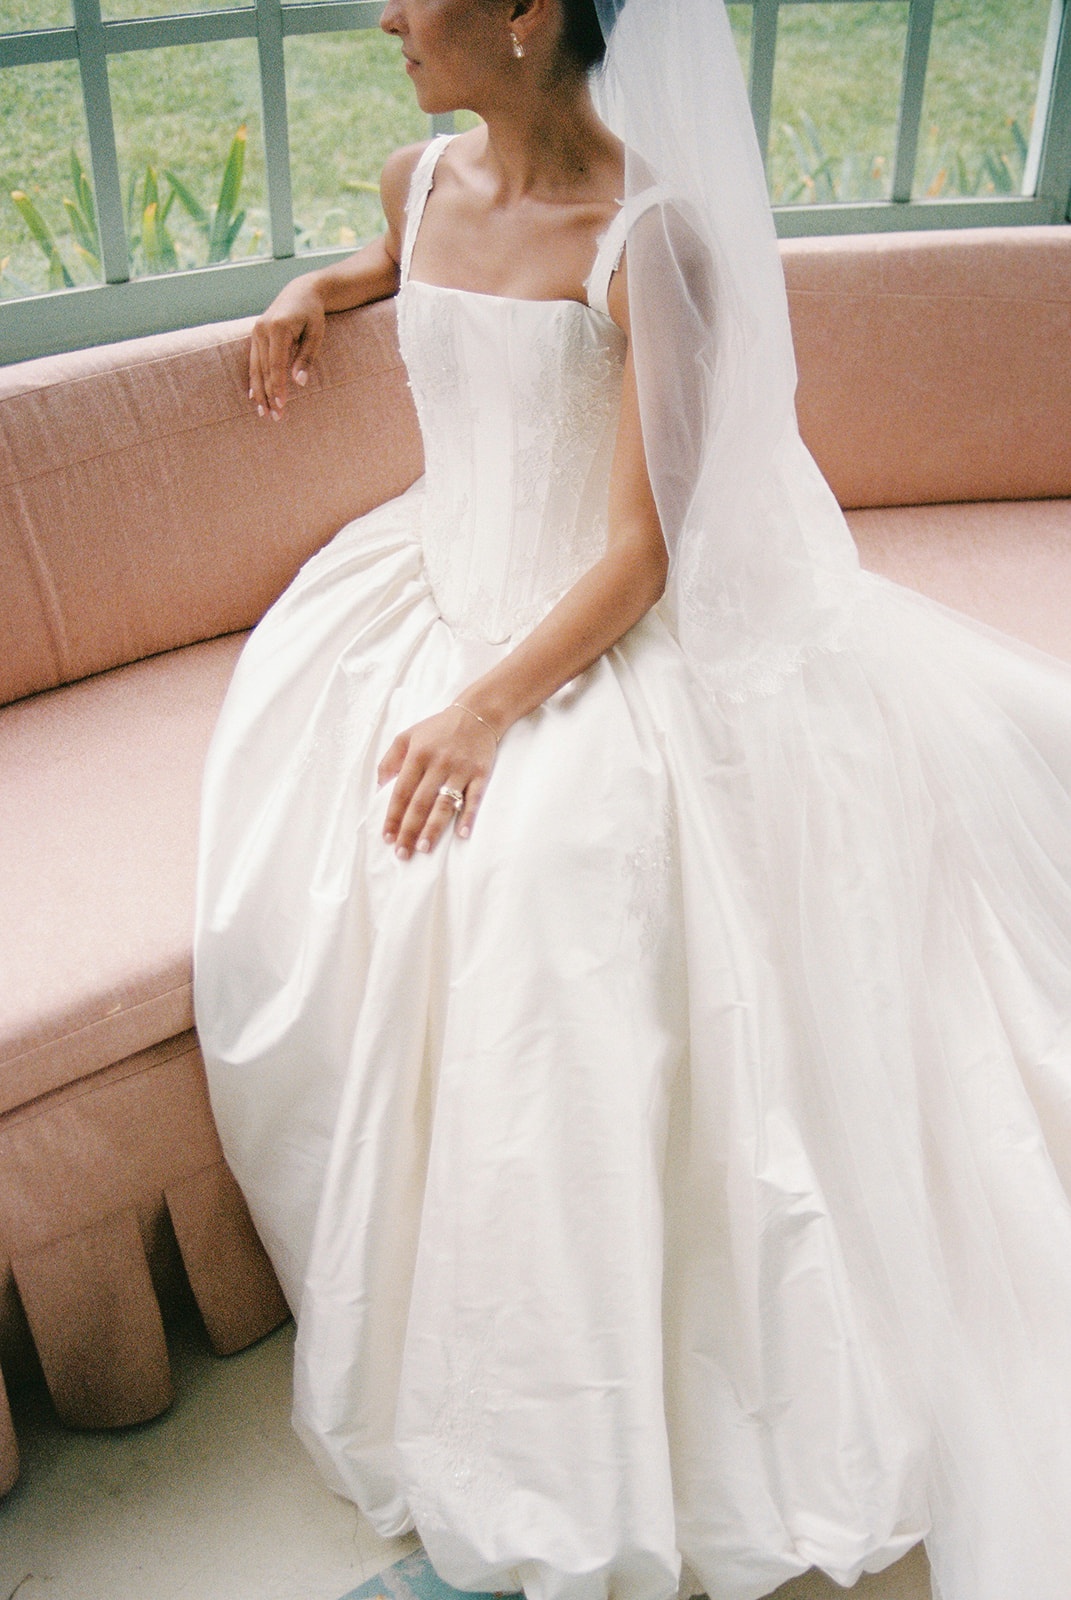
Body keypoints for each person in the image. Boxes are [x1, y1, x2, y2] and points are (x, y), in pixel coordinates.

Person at [194, 2, 1071, 1599]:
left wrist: (482, 711)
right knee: (305, 846)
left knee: (545, 886)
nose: (388, 13)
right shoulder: (417, 180)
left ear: (529, 15)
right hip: (423, 588)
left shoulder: (652, 239)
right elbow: (423, 264)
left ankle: (582, 1403)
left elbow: (646, 549)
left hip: (589, 635)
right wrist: (322, 283)